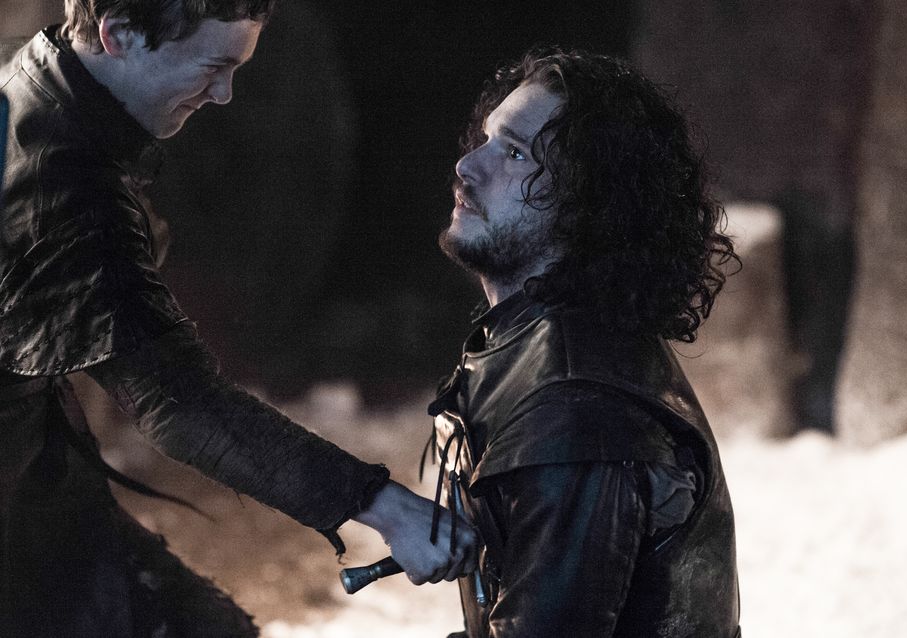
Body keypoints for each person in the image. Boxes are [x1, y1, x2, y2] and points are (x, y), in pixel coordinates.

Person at [0, 1, 474, 636]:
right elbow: (181, 405)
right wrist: (386, 508)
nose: (224, 94)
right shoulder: (66, 190)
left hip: (40, 487)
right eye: (211, 67)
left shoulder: (35, 74)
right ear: (119, 34)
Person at [429, 47, 741, 637]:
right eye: (487, 139)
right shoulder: (538, 340)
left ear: (587, 207)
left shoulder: (578, 415)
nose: (468, 165)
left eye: (515, 154)